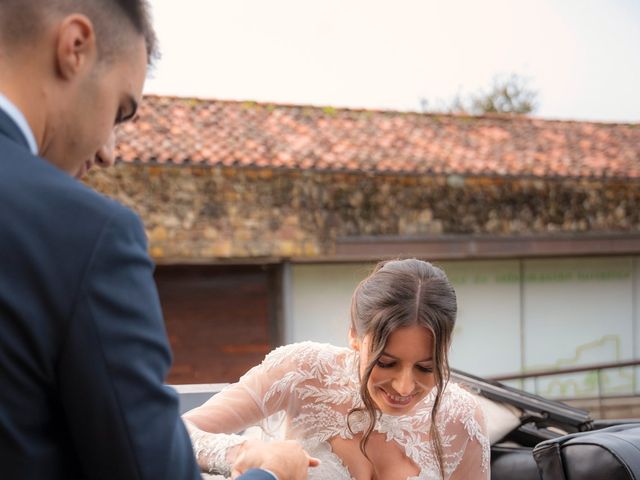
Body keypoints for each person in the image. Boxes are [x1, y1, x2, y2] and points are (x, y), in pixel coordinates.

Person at [0, 1, 312, 479]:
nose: (108, 152)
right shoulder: (88, 234)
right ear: (75, 47)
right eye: (120, 110)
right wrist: (272, 473)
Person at [184, 259, 491, 479]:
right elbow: (178, 432)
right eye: (385, 363)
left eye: (426, 368)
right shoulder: (303, 371)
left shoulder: (462, 419)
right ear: (355, 336)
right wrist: (248, 453)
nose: (404, 386)